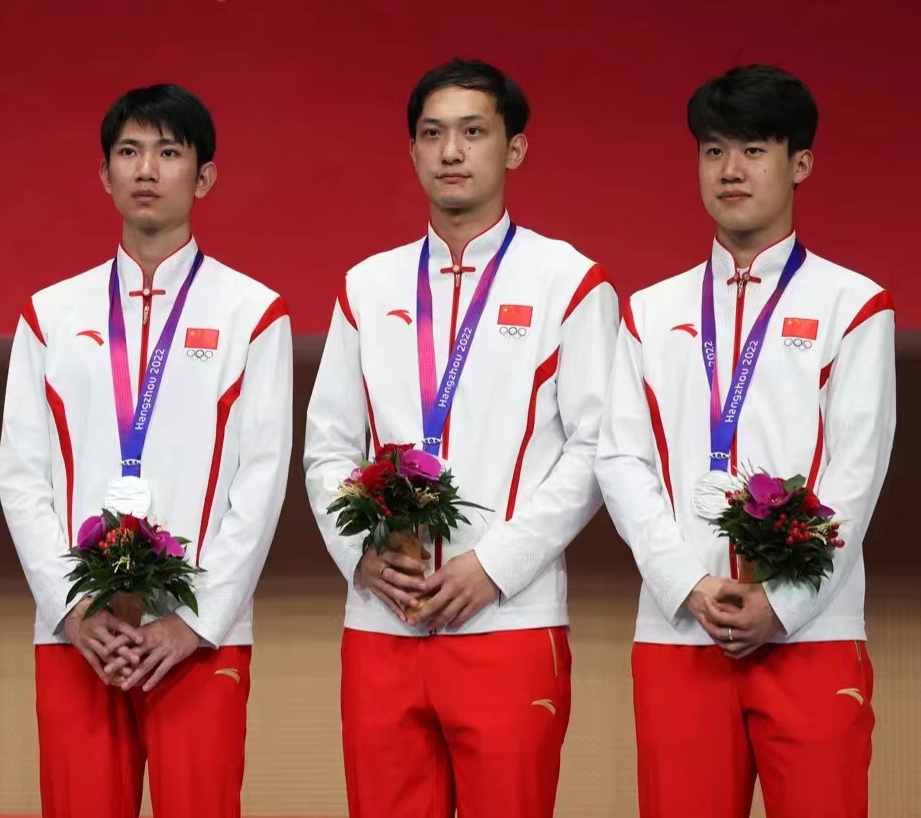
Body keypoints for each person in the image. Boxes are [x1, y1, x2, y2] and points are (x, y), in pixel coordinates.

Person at [303, 57, 618, 818]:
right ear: (412, 150)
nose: (451, 151)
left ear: (515, 149)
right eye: (432, 133)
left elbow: (595, 449)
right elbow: (327, 447)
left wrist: (494, 567)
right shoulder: (366, 286)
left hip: (508, 619)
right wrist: (363, 557)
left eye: (473, 132)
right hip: (382, 619)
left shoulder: (569, 282)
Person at [596, 64, 895, 818]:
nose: (730, 169)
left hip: (811, 634)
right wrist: (687, 585)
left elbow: (855, 474)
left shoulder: (855, 306)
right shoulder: (648, 311)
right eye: (713, 150)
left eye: (754, 149)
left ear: (801, 164)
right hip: (680, 631)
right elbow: (622, 461)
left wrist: (782, 603)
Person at [0, 83, 292, 818]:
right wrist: (71, 610)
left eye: (169, 152)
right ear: (105, 174)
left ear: (205, 175)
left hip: (199, 639)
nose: (147, 169)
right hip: (78, 636)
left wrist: (195, 620)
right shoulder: (49, 314)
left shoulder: (253, 314)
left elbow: (260, 481)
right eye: (129, 152)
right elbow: (22, 477)